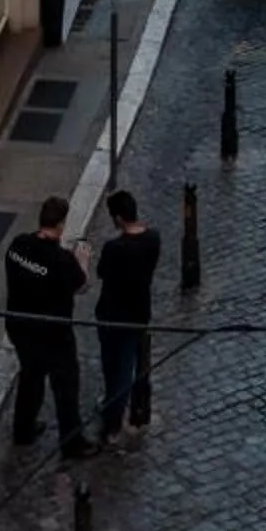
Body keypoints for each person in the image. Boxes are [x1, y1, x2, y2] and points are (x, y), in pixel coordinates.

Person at [4, 199, 96, 457]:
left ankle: (23, 430)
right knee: (66, 384)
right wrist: (82, 259)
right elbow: (81, 284)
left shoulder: (18, 246)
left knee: (31, 376)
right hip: (53, 333)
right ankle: (72, 441)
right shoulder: (62, 260)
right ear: (61, 224)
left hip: (20, 327)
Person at [95, 188, 161, 440]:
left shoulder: (115, 247)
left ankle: (112, 420)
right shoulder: (153, 239)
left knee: (116, 367)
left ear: (119, 218)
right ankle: (123, 408)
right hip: (139, 311)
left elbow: (102, 272)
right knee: (129, 363)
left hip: (113, 313)